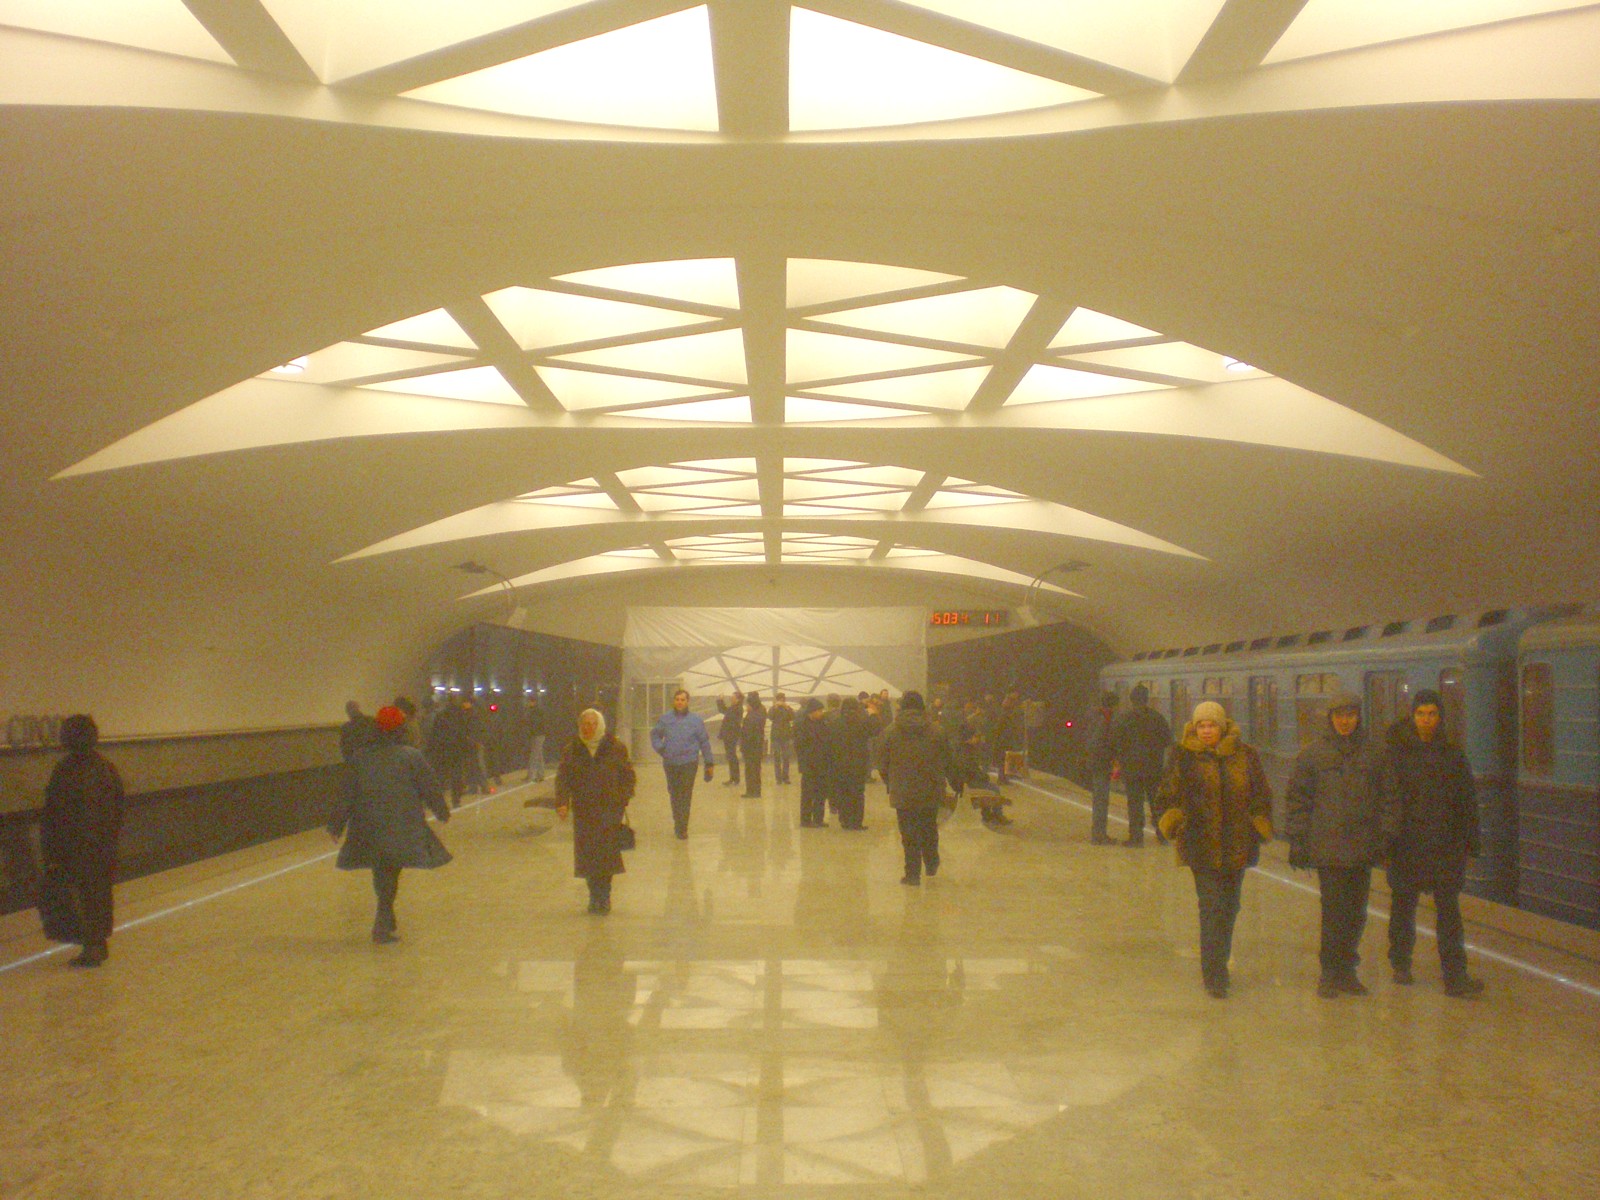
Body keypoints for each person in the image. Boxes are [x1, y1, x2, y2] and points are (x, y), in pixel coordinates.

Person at [1156, 700, 1274, 999]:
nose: (1206, 731)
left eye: (1211, 725)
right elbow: (1166, 795)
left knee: (1230, 907)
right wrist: (1175, 822)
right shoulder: (1183, 756)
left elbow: (1261, 793)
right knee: (1211, 907)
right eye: (1201, 726)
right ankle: (1214, 974)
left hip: (1237, 844)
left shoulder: (1245, 755)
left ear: (1222, 727)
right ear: (1194, 728)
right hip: (1201, 846)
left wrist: (1258, 823)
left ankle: (1220, 961)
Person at [1382, 690, 1485, 998]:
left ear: (1440, 718)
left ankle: (1455, 977)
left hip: (1445, 846)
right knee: (1403, 907)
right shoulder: (1396, 755)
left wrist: (1472, 842)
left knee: (1449, 913)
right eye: (1421, 714)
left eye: (1432, 714)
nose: (1426, 720)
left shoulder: (1453, 756)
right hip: (1407, 844)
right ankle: (1401, 963)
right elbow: (1387, 800)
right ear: (1412, 716)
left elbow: (1467, 801)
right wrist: (1386, 842)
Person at [1285, 692, 1387, 997]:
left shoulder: (1375, 753)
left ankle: (1347, 971)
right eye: (1340, 715)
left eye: (1350, 715)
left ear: (1358, 718)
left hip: (1362, 846)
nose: (1345, 721)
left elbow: (1389, 797)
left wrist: (1385, 835)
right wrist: (1298, 839)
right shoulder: (1313, 755)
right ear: (1330, 718)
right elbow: (1298, 799)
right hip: (1328, 847)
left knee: (1357, 913)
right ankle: (1329, 973)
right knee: (1333, 912)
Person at [328, 705, 452, 944]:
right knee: (390, 869)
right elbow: (429, 787)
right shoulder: (411, 756)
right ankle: (383, 919)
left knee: (381, 868)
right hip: (401, 822)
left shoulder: (360, 757)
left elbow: (346, 793)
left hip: (368, 823)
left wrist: (336, 825)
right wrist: (441, 811)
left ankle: (385, 915)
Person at [40, 714, 125, 967]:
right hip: (99, 846)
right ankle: (96, 944)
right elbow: (118, 808)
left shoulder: (67, 770)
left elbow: (57, 813)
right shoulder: (105, 768)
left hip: (78, 847)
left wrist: (55, 849)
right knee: (97, 895)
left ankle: (93, 946)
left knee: (85, 897)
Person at [556, 708, 636, 914]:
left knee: (606, 855)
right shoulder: (572, 749)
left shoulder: (615, 747)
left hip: (609, 810)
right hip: (584, 811)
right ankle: (593, 896)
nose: (589, 728)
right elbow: (563, 778)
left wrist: (622, 799)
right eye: (585, 724)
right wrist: (562, 802)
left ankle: (605, 896)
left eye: (593, 724)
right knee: (588, 856)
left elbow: (628, 776)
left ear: (600, 725)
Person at [881, 692, 954, 885]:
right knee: (929, 826)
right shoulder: (937, 730)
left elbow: (882, 761)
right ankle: (931, 860)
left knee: (908, 833)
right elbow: (948, 758)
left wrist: (890, 782)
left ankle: (912, 874)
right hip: (931, 787)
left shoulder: (891, 731)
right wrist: (950, 781)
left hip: (903, 789)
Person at [1111, 684, 1173, 846]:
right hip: (1154, 768)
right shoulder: (1157, 718)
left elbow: (1116, 742)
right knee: (1156, 802)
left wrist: (1120, 760)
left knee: (1135, 803)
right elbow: (1167, 740)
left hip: (1131, 769)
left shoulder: (1123, 718)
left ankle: (1136, 837)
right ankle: (1162, 835)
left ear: (1132, 699)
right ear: (1147, 699)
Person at [650, 688, 715, 839]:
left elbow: (704, 742)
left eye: (682, 700)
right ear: (674, 701)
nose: (679, 702)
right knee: (674, 793)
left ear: (687, 702)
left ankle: (682, 827)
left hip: (689, 763)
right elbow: (655, 735)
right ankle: (677, 820)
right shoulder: (665, 719)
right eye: (677, 699)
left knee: (685, 794)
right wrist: (661, 748)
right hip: (671, 763)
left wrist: (709, 763)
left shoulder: (696, 721)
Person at [830, 695, 874, 830]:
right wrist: (872, 715)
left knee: (843, 792)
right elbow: (876, 731)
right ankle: (856, 822)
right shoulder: (862, 722)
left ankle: (844, 820)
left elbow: (830, 743)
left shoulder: (836, 723)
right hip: (858, 763)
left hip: (840, 763)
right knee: (857, 793)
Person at [425, 695, 473, 807]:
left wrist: (432, 748)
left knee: (442, 775)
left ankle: (439, 800)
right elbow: (465, 731)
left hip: (443, 748)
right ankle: (456, 800)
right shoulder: (461, 715)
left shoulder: (440, 715)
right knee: (457, 775)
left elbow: (435, 733)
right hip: (457, 749)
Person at [1087, 690, 1120, 845]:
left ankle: (1099, 833)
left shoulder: (1096, 716)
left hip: (1098, 762)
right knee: (1101, 800)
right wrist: (1110, 755)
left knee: (1100, 799)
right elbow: (1098, 742)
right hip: (1100, 763)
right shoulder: (1103, 720)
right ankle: (1099, 835)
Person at [795, 698, 832, 827]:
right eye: (819, 711)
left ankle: (818, 818)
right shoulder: (801, 725)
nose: (821, 713)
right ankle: (805, 819)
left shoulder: (823, 724)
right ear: (812, 711)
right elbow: (799, 745)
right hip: (809, 764)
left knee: (821, 793)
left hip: (822, 764)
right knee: (807, 794)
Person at [740, 691, 767, 799]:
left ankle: (752, 791)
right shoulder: (761, 711)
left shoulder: (753, 715)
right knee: (755, 769)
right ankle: (755, 791)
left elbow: (748, 732)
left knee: (751, 769)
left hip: (751, 746)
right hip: (757, 745)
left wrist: (743, 745)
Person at [717, 691, 744, 787]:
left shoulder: (737, 708)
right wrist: (720, 701)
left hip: (731, 735)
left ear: (738, 699)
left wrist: (720, 701)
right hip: (729, 735)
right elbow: (724, 710)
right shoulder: (734, 708)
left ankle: (735, 778)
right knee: (730, 756)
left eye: (733, 698)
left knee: (732, 757)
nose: (731, 699)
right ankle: (733, 778)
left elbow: (725, 711)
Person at [768, 692, 795, 785]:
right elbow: (770, 717)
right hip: (776, 735)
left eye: (783, 699)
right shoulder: (773, 708)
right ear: (777, 700)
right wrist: (775, 707)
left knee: (786, 757)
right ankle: (778, 778)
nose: (781, 701)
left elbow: (793, 716)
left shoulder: (787, 708)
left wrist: (786, 707)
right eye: (780, 699)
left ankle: (785, 777)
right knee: (777, 757)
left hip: (786, 735)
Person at [524, 697, 548, 783]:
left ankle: (531, 776)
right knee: (539, 755)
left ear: (533, 702)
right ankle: (540, 775)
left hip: (538, 734)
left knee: (534, 755)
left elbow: (534, 723)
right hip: (537, 734)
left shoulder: (536, 711)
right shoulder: (535, 710)